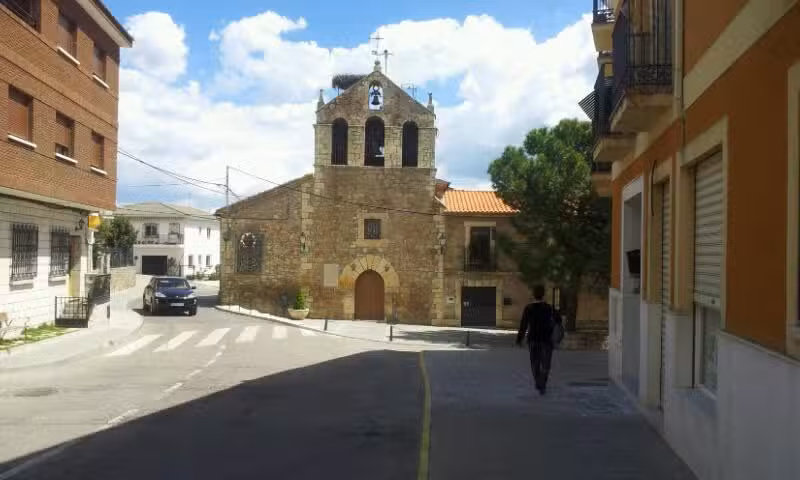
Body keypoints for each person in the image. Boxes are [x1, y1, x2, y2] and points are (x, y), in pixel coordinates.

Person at [516, 285, 562, 395]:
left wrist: (519, 339)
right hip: (546, 339)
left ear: (533, 295)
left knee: (535, 363)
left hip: (533, 339)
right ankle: (542, 383)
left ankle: (538, 381)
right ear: (543, 295)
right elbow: (558, 320)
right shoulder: (549, 308)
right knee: (546, 363)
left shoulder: (528, 308)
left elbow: (523, 325)